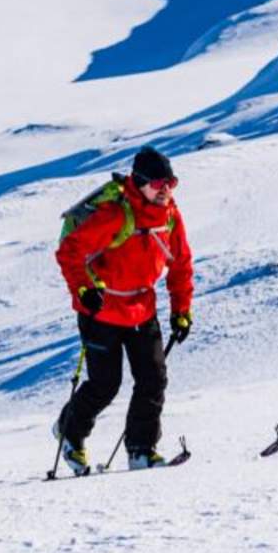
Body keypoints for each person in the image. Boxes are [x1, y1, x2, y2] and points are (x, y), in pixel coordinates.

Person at [53, 145, 194, 472]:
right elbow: (69, 252)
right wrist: (85, 289)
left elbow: (181, 265)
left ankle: (141, 450)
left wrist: (181, 310)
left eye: (171, 183)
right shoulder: (117, 214)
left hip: (142, 308)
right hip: (101, 310)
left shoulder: (170, 217)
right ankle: (69, 432)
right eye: (159, 184)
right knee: (105, 385)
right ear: (140, 182)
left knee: (153, 379)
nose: (166, 191)